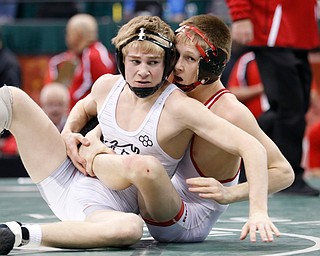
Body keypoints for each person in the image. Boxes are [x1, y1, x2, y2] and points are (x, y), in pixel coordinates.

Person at [1, 16, 277, 254]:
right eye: (135, 61)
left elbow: (255, 149)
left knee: (131, 223)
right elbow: (83, 109)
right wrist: (70, 132)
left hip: (103, 210)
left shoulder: (185, 106)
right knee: (11, 98)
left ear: (165, 63)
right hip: (63, 175)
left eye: (153, 62)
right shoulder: (107, 85)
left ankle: (15, 233)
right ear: (122, 60)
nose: (143, 71)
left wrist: (256, 210)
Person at [139, 14, 294, 242]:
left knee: (142, 167)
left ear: (212, 66)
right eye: (177, 55)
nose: (178, 66)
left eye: (190, 59)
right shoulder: (175, 88)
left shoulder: (230, 111)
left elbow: (283, 172)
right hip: (166, 196)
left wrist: (232, 195)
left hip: (190, 219)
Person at [225, 0, 320, 196]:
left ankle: (252, 169)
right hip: (272, 28)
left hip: (298, 29)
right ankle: (287, 176)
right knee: (288, 108)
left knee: (296, 107)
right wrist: (240, 15)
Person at [44, 13, 116, 108]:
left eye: (69, 33)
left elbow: (96, 91)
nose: (67, 37)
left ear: (78, 35)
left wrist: (64, 104)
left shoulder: (94, 56)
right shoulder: (70, 57)